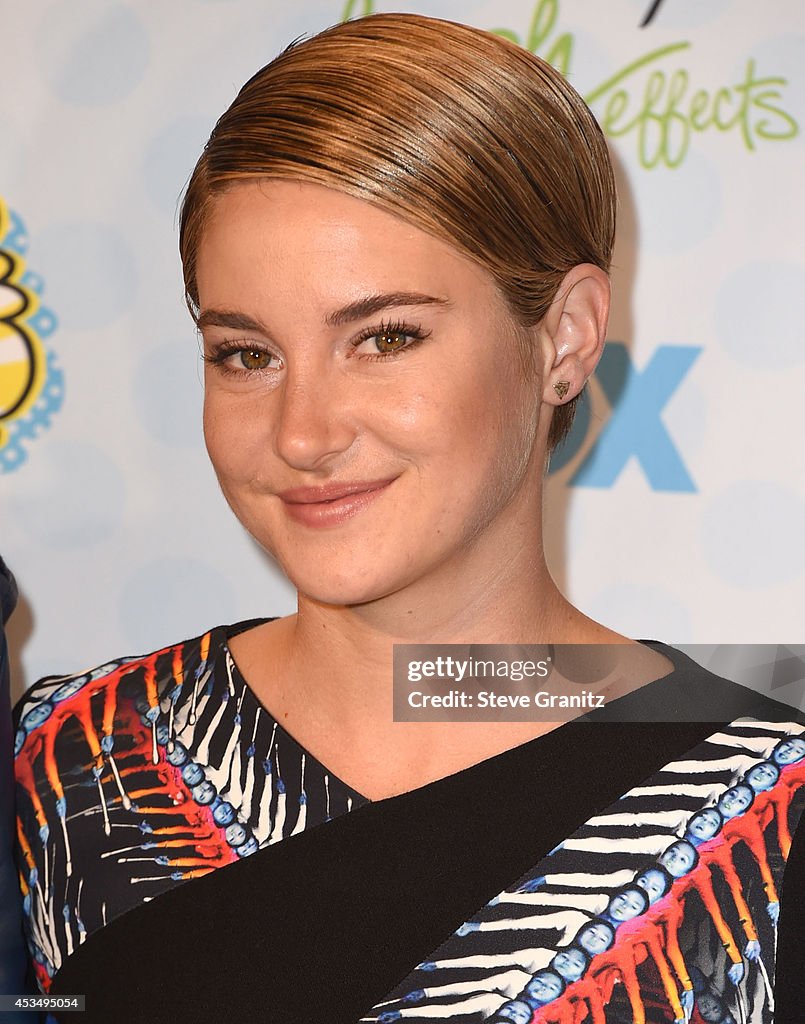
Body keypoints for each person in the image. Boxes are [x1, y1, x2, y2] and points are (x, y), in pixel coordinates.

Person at [9, 11, 805, 1024]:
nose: (302, 432)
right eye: (245, 353)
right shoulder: (67, 762)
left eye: (384, 338)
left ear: (564, 336)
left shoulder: (768, 808)